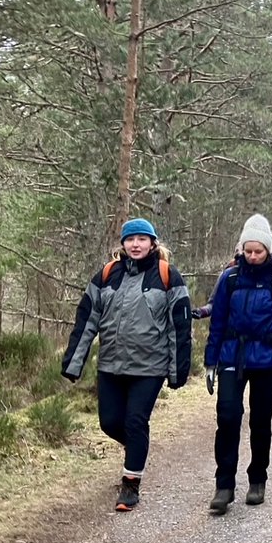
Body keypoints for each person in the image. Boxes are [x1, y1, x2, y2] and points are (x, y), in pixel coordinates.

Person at [62, 218, 192, 512]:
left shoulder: (167, 276)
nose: (136, 244)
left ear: (152, 243)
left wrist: (177, 369)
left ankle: (130, 485)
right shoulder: (107, 275)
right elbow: (87, 320)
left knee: (135, 421)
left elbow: (179, 327)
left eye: (142, 239)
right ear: (122, 243)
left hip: (149, 368)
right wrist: (74, 362)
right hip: (111, 365)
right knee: (109, 422)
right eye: (130, 239)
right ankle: (136, 447)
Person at [204, 214, 272, 514]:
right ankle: (224, 485)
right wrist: (210, 363)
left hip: (266, 359)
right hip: (232, 356)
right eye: (248, 250)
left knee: (260, 422)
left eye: (258, 250)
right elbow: (218, 322)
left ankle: (257, 478)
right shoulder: (230, 279)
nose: (252, 255)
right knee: (228, 417)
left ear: (268, 250)